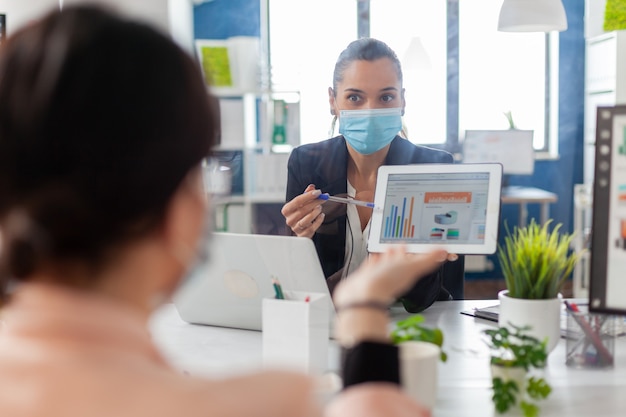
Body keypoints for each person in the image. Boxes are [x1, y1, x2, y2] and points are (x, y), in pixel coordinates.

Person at [0, 6, 448, 417]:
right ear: (184, 211)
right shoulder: (268, 402)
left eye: (385, 97)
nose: (369, 110)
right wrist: (363, 311)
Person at [281, 38, 465, 313]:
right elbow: (294, 282)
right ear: (333, 100)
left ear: (403, 100)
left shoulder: (434, 168)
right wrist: (298, 239)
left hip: (411, 324)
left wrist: (422, 259)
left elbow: (433, 296)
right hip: (328, 322)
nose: (370, 111)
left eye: (386, 97)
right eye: (354, 98)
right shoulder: (306, 163)